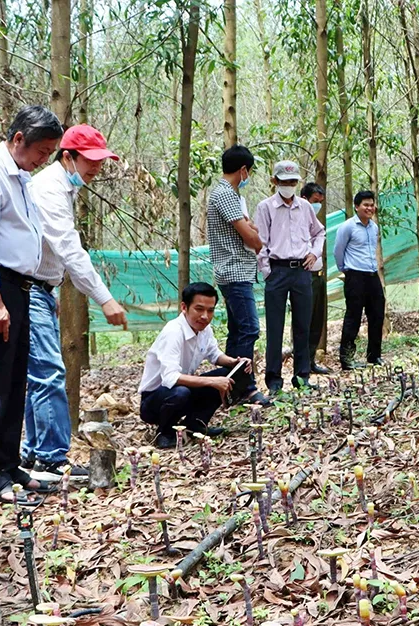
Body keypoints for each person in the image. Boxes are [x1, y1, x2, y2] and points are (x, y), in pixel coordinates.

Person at [0, 105, 63, 503]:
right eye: (41, 151)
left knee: (14, 381)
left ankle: (7, 464)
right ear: (18, 139)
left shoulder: (20, 177)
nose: (43, 160)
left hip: (19, 287)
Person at [21, 124, 126, 482]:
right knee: (49, 371)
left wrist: (50, 289)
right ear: (67, 156)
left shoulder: (62, 187)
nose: (96, 168)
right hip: (27, 288)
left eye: (100, 160)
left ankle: (36, 455)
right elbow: (70, 250)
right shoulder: (50, 189)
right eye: (90, 161)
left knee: (39, 374)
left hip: (39, 288)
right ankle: (50, 459)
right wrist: (105, 299)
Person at [138, 283, 253, 449]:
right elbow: (170, 377)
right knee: (182, 392)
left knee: (229, 374)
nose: (205, 316)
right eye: (199, 309)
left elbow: (214, 354)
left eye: (210, 310)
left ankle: (195, 425)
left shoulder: (204, 329)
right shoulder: (173, 332)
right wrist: (212, 382)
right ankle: (165, 432)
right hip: (155, 400)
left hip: (182, 391)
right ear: (184, 307)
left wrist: (235, 362)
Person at [206, 145, 270, 405]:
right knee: (248, 329)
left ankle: (231, 386)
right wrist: (255, 235)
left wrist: (254, 231)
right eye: (249, 172)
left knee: (237, 330)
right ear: (243, 170)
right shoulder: (225, 195)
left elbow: (251, 231)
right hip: (234, 271)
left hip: (238, 271)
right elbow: (253, 239)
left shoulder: (228, 195)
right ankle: (246, 387)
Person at [256, 161, 325, 392]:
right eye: (284, 182)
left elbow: (319, 232)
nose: (289, 186)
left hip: (302, 271)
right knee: (275, 327)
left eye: (293, 182)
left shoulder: (305, 207)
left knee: (302, 325)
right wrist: (267, 271)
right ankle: (274, 379)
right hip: (277, 270)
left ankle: (302, 376)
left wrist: (314, 254)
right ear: (275, 181)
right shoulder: (265, 207)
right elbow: (260, 242)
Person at [334, 190, 385, 370]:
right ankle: (347, 358)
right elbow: (338, 251)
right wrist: (345, 269)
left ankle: (374, 356)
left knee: (377, 314)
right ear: (357, 207)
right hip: (355, 275)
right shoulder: (347, 227)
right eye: (365, 205)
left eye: (372, 205)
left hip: (372, 275)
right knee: (353, 317)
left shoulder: (374, 227)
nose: (369, 208)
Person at [300, 182, 331, 376]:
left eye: (320, 202)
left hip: (318, 276)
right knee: (305, 321)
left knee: (317, 321)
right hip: (305, 276)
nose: (317, 205)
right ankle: (301, 364)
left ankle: (311, 361)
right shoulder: (297, 221)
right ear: (304, 200)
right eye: (314, 201)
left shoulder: (317, 223)